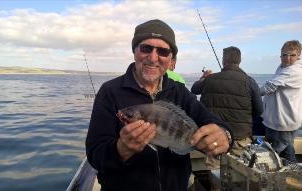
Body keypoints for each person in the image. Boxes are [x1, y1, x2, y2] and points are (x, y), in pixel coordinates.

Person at [85, 19, 233, 191]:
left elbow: (212, 121)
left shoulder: (180, 92)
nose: (153, 57)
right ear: (134, 51)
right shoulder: (109, 91)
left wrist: (225, 135)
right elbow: (95, 155)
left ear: (171, 59)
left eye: (163, 51)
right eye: (146, 48)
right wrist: (121, 149)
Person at [191, 46, 263, 157]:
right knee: (240, 171)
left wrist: (203, 78)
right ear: (239, 61)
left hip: (215, 138)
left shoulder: (209, 79)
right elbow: (259, 111)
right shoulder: (250, 82)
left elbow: (194, 89)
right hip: (240, 139)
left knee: (215, 172)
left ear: (224, 60)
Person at [260, 40, 302, 162]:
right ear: (280, 55)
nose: (287, 58)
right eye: (284, 55)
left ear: (298, 55)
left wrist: (250, 93)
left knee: (277, 155)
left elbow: (269, 87)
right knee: (285, 151)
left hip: (283, 121)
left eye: (292, 55)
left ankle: (294, 177)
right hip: (277, 120)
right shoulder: (283, 67)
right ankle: (293, 176)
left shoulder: (294, 71)